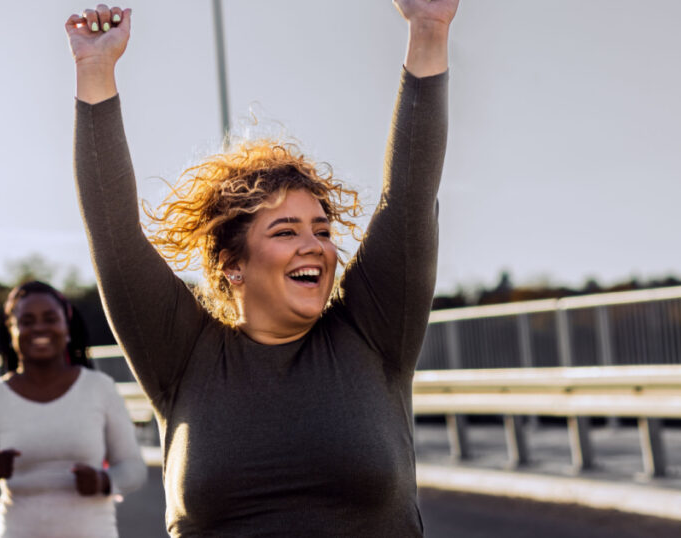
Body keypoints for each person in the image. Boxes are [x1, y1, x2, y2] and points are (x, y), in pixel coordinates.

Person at [67, 1, 457, 536]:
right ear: (233, 265)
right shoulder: (181, 356)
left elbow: (409, 198)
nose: (314, 246)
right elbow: (113, 238)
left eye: (322, 230)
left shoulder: (372, 331)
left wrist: (428, 30)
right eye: (285, 232)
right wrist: (95, 71)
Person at [0, 281, 147, 538]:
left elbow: (134, 469)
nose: (39, 327)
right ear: (11, 330)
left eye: (50, 318)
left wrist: (103, 481)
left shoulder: (100, 388)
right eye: (27, 321)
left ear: (67, 326)